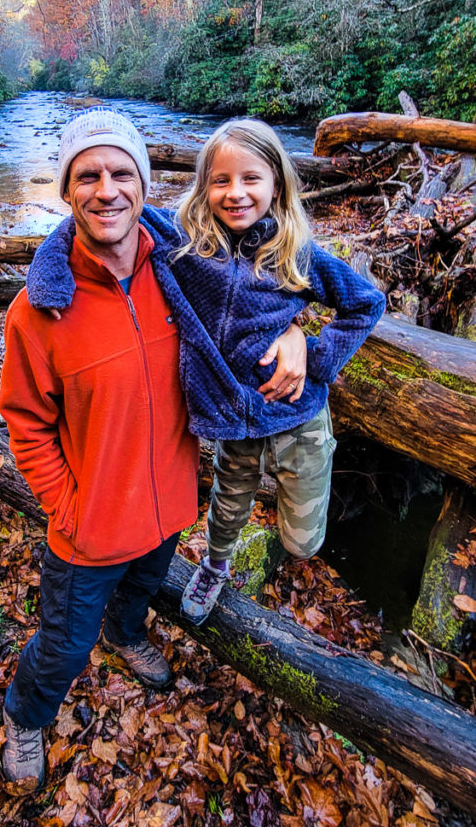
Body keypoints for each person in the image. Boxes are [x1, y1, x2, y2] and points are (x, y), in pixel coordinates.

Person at [0, 107, 307, 787]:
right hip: (91, 525)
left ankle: (127, 631)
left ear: (143, 185)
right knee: (62, 646)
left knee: (139, 591)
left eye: (120, 173)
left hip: (169, 502)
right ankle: (25, 714)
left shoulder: (186, 268)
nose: (105, 189)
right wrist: (66, 505)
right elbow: (24, 419)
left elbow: (281, 271)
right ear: (67, 190)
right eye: (88, 176)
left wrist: (298, 332)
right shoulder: (40, 309)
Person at [42, 115, 385, 630]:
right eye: (221, 180)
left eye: (251, 179)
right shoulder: (184, 242)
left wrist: (312, 353)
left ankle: (294, 531)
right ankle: (215, 565)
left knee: (301, 543)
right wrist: (49, 285)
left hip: (296, 416)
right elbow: (86, 221)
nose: (236, 193)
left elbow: (365, 303)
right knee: (227, 506)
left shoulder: (297, 253)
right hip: (227, 417)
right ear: (203, 187)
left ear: (277, 183)